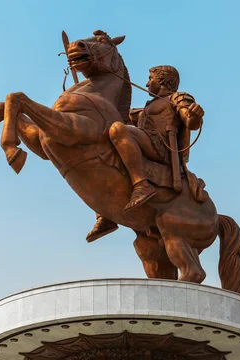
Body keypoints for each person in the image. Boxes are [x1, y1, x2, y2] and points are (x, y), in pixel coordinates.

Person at [86, 65, 205, 243]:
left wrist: (195, 116)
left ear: (162, 80)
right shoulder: (146, 109)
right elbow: (119, 116)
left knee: (118, 129)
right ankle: (105, 213)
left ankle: (141, 184)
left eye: (151, 78)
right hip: (147, 144)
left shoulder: (177, 97)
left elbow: (190, 119)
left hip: (163, 148)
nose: (147, 83)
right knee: (105, 141)